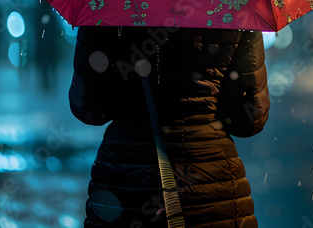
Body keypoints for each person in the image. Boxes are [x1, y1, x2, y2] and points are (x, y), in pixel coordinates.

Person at [69, 25, 270, 227]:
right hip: (210, 180)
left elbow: (88, 109)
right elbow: (249, 120)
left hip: (125, 179)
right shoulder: (236, 9)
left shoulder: (104, 9)